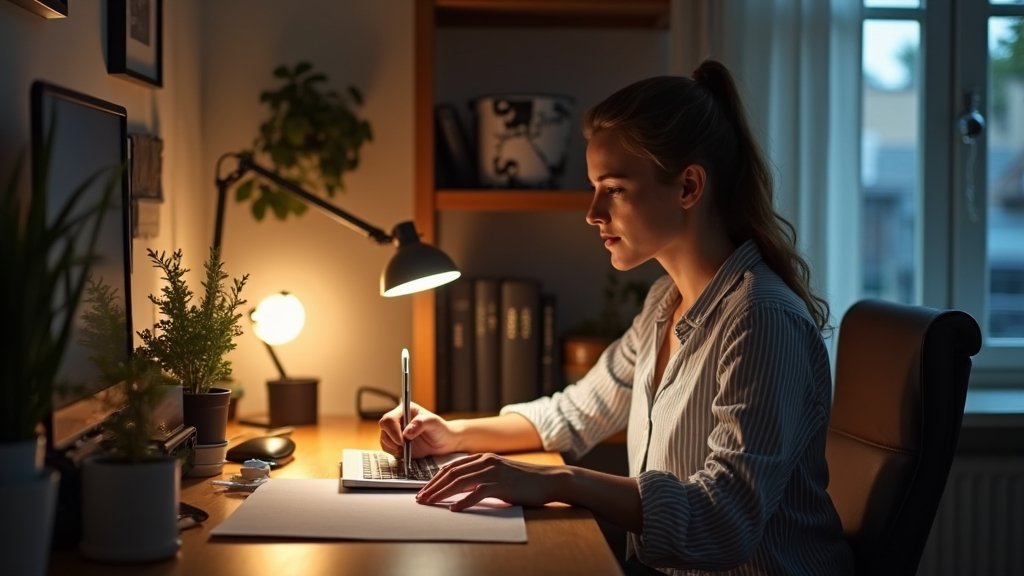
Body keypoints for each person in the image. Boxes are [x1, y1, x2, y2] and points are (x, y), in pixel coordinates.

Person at [379, 59, 854, 576]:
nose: (592, 212)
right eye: (593, 187)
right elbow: (576, 412)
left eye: (615, 188)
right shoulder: (664, 303)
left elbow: (723, 522)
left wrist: (559, 482)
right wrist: (452, 435)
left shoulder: (760, 319)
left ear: (689, 187)